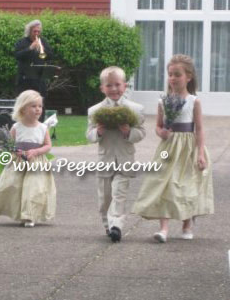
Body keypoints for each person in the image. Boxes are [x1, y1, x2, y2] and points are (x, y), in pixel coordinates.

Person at [132, 54, 214, 243]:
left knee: (186, 185)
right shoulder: (163, 102)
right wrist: (162, 133)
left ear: (188, 77)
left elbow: (199, 128)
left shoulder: (194, 101)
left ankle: (187, 224)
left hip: (188, 148)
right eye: (170, 74)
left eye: (177, 74)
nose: (173, 78)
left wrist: (200, 153)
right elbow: (158, 126)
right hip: (168, 148)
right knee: (164, 183)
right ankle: (164, 229)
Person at [86, 67, 146, 242]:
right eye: (109, 85)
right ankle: (108, 225)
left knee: (119, 193)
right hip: (105, 160)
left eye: (117, 85)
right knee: (105, 198)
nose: (114, 89)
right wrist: (98, 131)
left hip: (125, 159)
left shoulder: (135, 109)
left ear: (125, 86)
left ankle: (116, 226)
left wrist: (128, 132)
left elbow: (141, 133)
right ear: (102, 88)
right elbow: (89, 135)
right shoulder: (94, 111)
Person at [0, 90, 56, 227]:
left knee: (34, 189)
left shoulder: (42, 128)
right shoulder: (16, 127)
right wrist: (15, 151)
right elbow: (9, 144)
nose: (38, 109)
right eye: (33, 106)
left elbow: (48, 146)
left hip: (36, 163)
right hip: (18, 162)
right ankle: (19, 213)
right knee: (15, 187)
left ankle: (30, 216)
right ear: (23, 108)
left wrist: (36, 151)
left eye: (40, 106)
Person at [15, 19, 53, 97]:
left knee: (40, 103)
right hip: (25, 80)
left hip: (40, 80)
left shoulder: (43, 41)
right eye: (34, 31)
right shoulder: (22, 42)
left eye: (38, 31)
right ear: (29, 31)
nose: (36, 33)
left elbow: (49, 57)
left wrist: (43, 49)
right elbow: (18, 56)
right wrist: (30, 48)